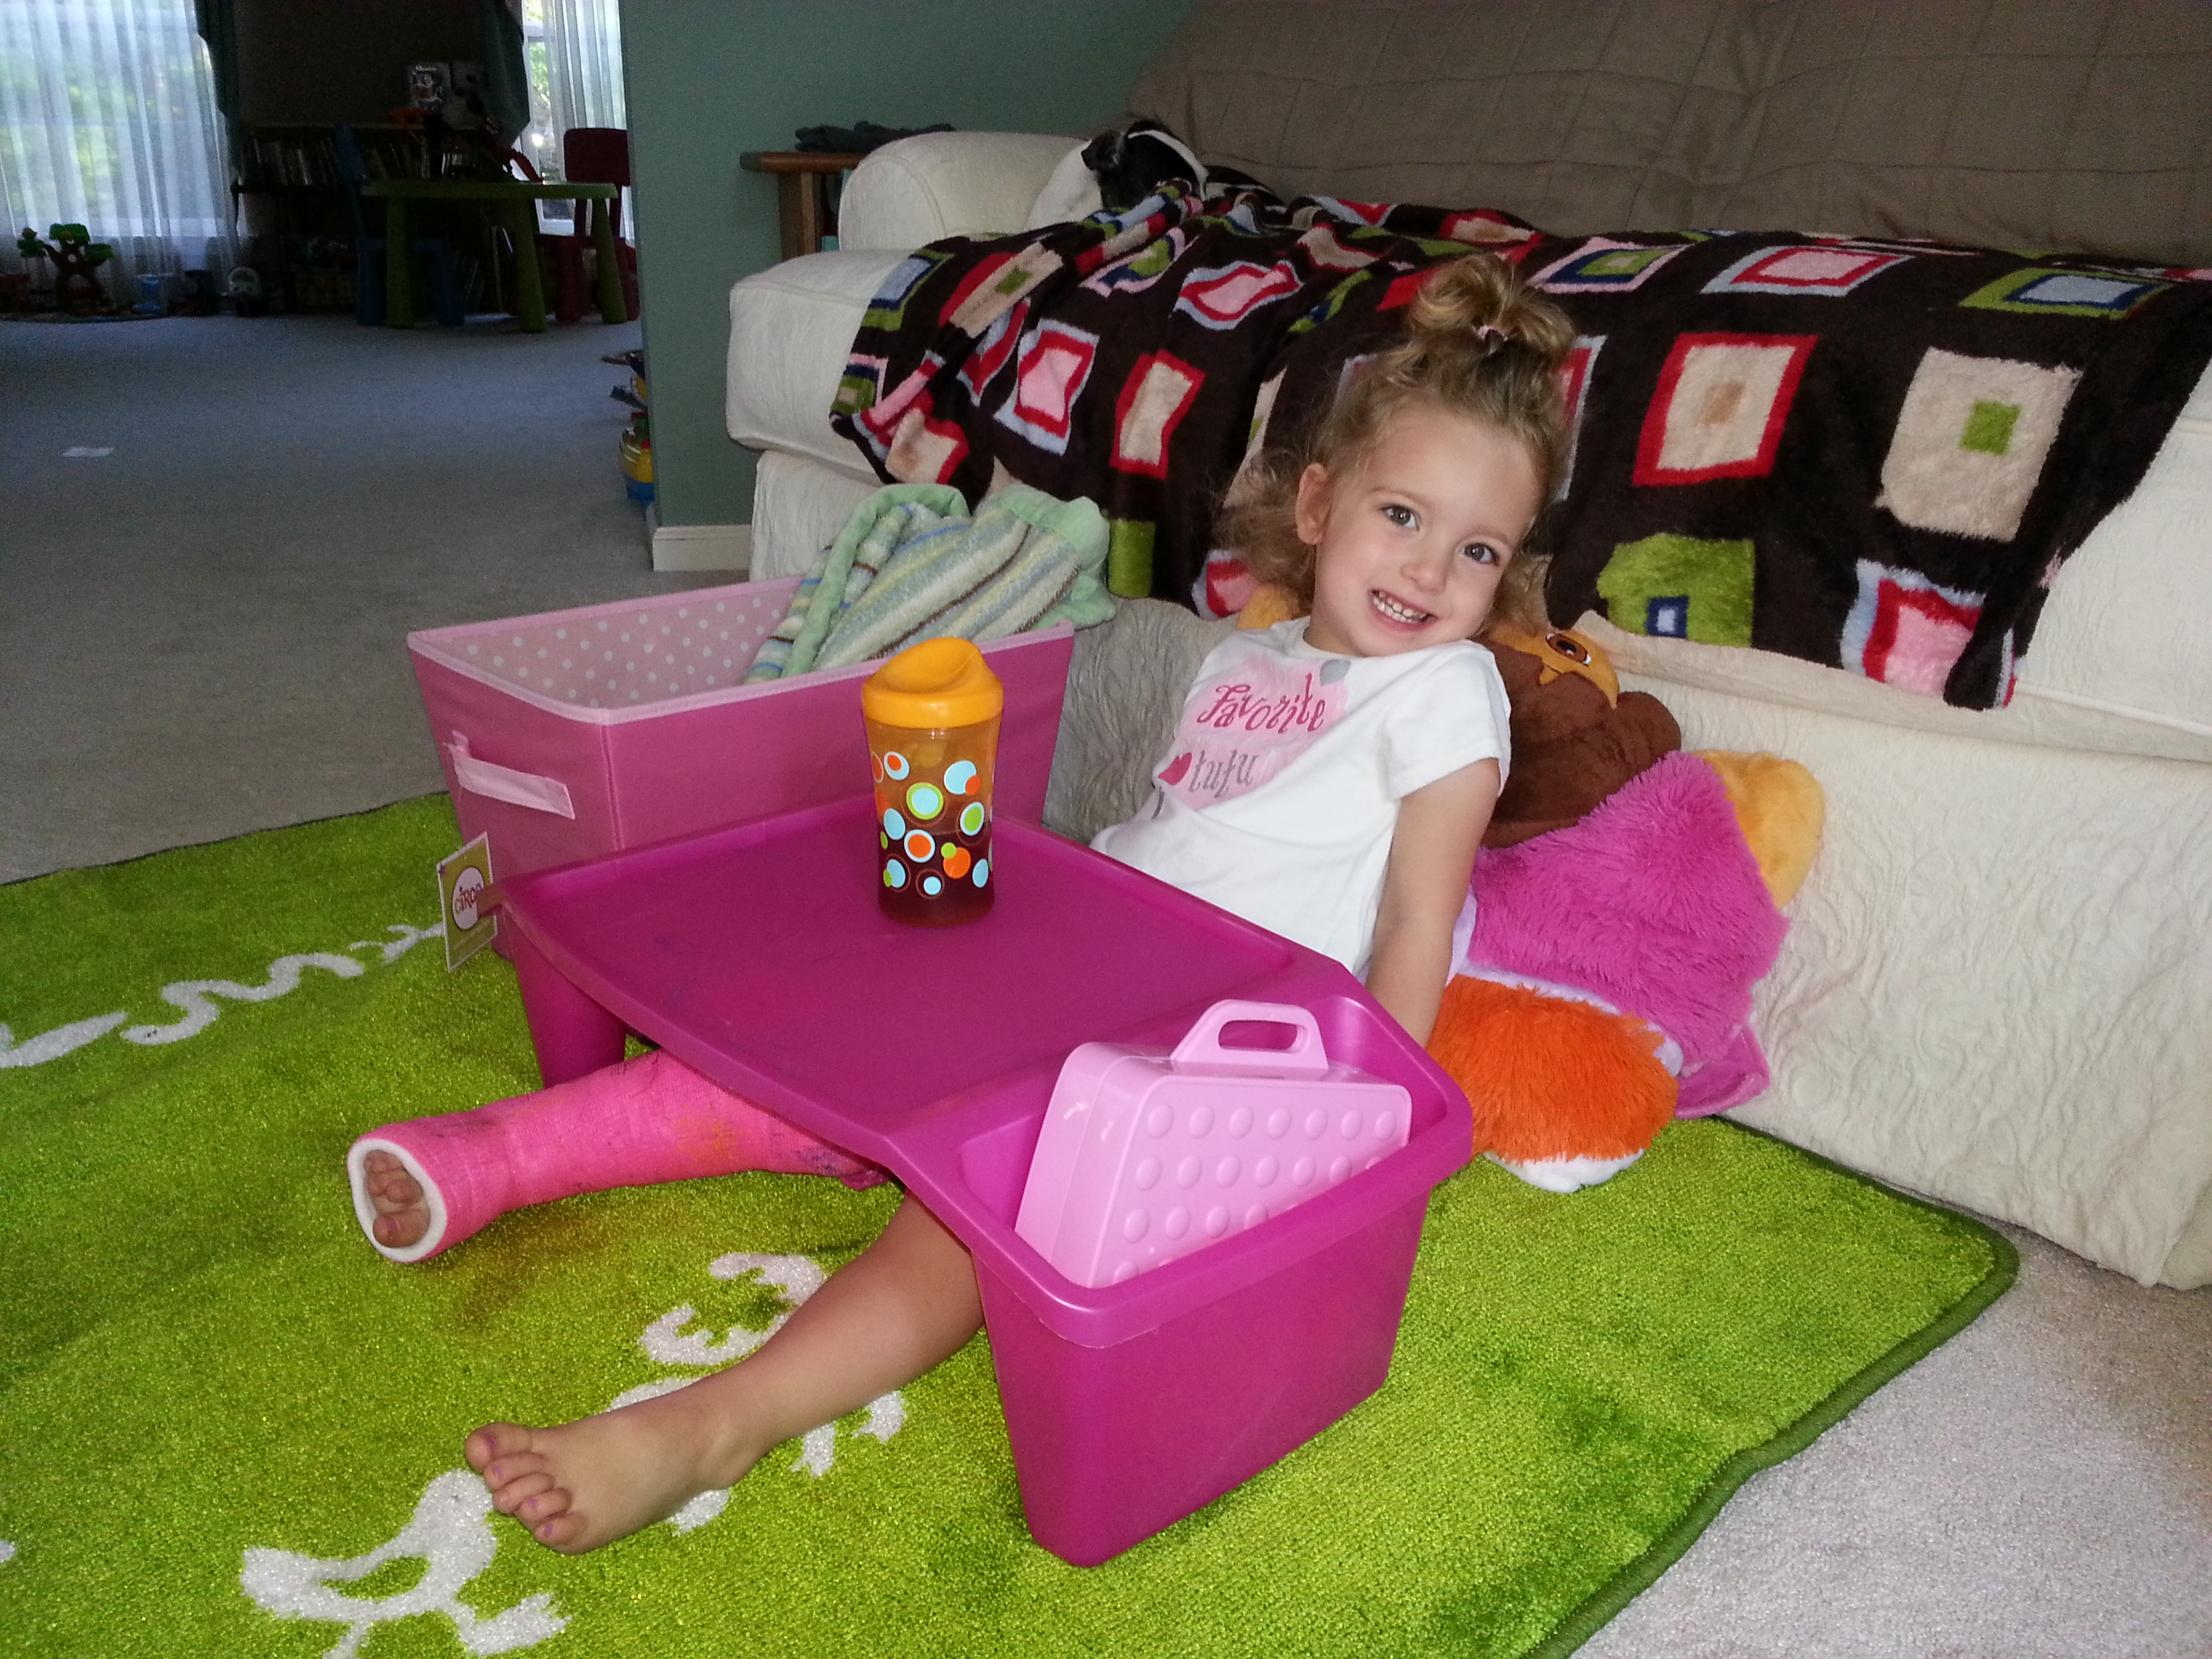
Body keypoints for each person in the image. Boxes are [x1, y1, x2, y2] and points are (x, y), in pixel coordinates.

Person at [361, 250, 1575, 1553]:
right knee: (833, 1028)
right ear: (1322, 504)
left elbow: (1416, 920)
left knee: (970, 1216)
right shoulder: (1251, 659)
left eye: (1478, 549)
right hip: (1097, 965)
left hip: (1203, 1052)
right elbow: (1178, 844)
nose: (1430, 570)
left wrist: (1366, 1126)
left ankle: (713, 1426)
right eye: (1403, 516)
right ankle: (499, 1154)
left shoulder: (1445, 692)